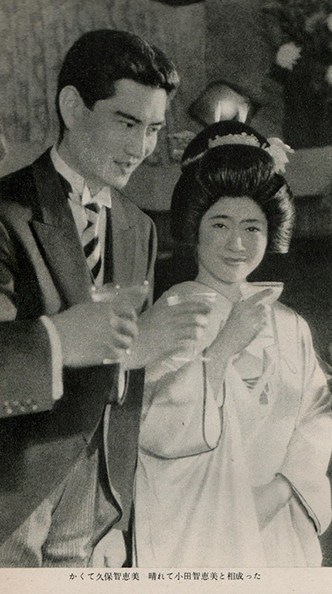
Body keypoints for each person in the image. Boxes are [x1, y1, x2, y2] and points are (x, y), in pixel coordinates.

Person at [0, 29, 207, 567]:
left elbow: (125, 381)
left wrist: (120, 511)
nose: (141, 148)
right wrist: (63, 340)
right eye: (126, 122)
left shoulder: (140, 228)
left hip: (96, 501)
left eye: (154, 129)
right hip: (12, 497)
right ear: (73, 107)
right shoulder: (6, 211)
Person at [135, 121, 332, 567]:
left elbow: (315, 419)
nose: (237, 244)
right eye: (220, 224)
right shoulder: (173, 311)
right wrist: (221, 350)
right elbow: (157, 430)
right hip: (198, 525)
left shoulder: (291, 325)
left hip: (279, 520)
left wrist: (280, 490)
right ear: (195, 227)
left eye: (252, 227)